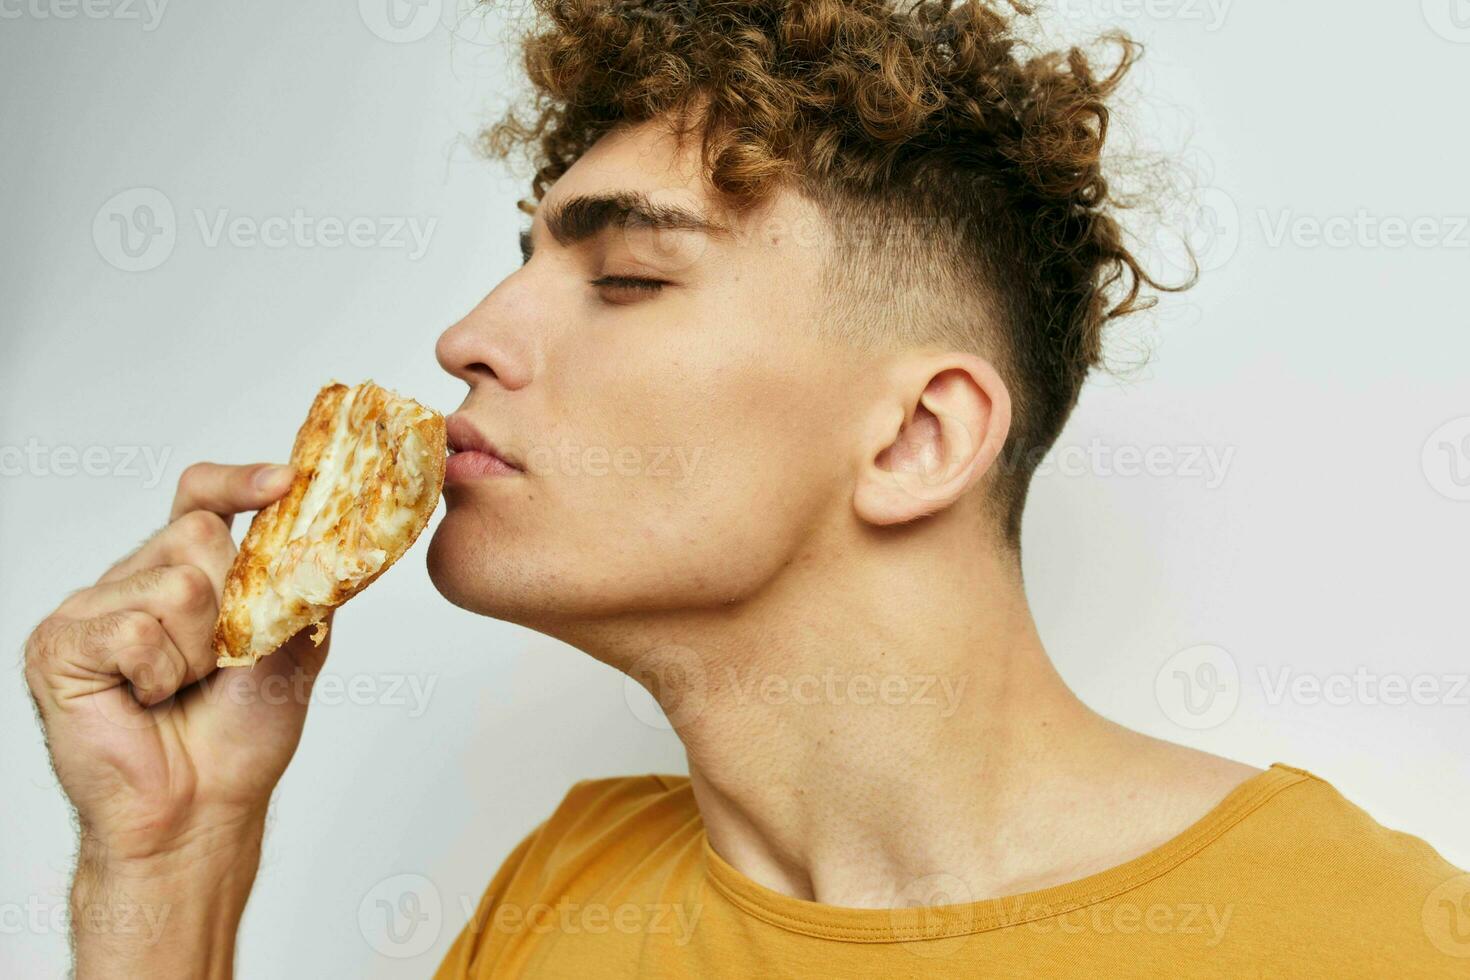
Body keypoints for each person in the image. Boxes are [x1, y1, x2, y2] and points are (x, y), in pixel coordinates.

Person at [24, 0, 1466, 976]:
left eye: (628, 277)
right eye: (522, 261)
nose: (465, 337)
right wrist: (171, 865)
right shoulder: (561, 893)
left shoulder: (1369, 936)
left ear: (915, 438)